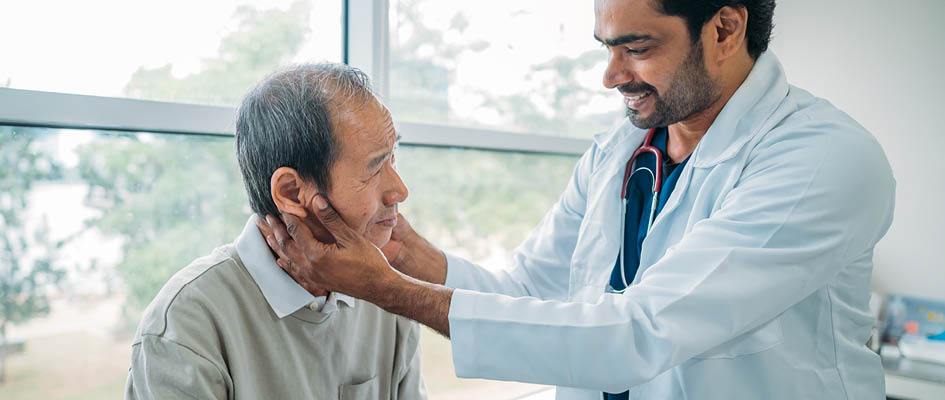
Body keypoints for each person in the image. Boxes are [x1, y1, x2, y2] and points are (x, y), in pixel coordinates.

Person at [259, 1, 896, 399]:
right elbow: (534, 288)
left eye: (637, 47)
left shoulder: (822, 160)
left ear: (725, 28)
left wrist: (391, 291)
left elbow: (639, 332)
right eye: (607, 47)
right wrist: (413, 259)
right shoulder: (620, 152)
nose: (611, 74)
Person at [125, 63, 425, 400]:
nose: (399, 190)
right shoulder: (186, 325)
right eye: (373, 169)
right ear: (292, 192)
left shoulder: (386, 294)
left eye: (393, 161)